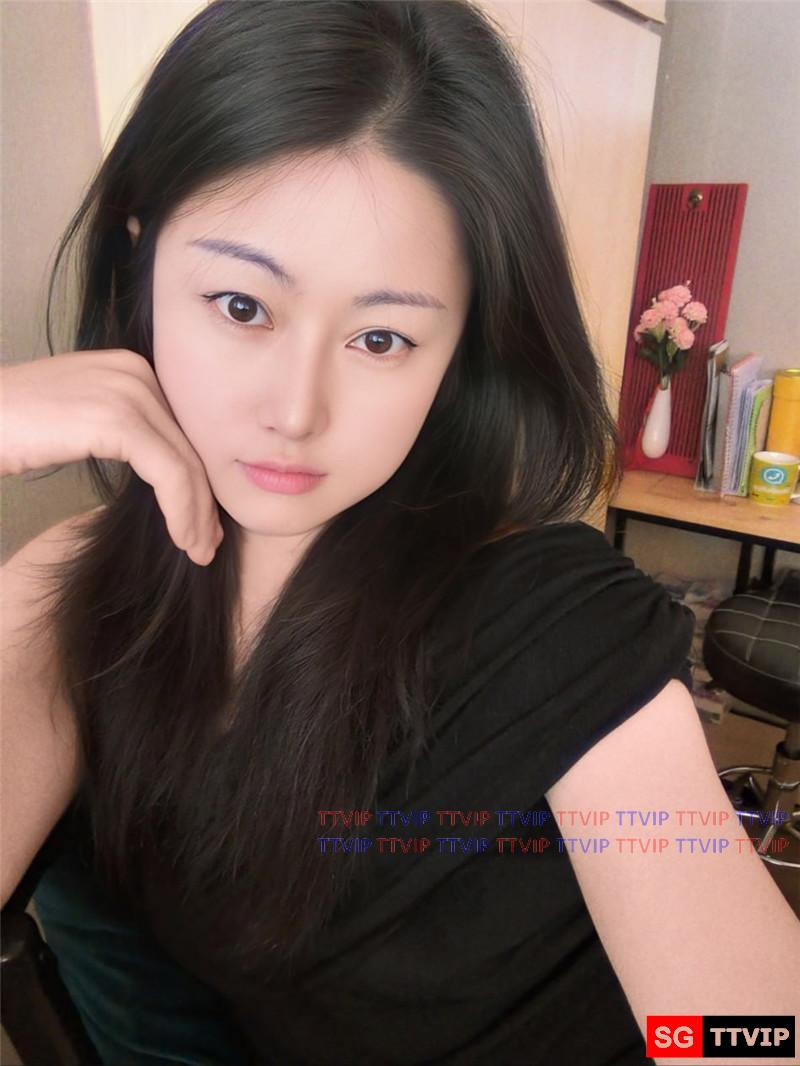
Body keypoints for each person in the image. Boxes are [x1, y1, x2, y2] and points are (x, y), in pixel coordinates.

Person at [1, 1, 798, 1064]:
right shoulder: (75, 592)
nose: (296, 411)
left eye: (380, 338)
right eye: (240, 306)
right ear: (140, 259)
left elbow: (751, 1040)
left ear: (459, 347)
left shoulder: (555, 625)